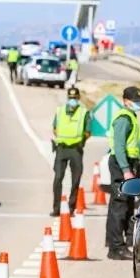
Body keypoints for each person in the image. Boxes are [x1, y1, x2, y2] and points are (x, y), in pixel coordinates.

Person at [106, 86, 140, 260]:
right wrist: (126, 170)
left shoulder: (131, 117)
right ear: (125, 101)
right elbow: (120, 147)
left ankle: (120, 243)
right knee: (119, 205)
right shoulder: (124, 119)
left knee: (125, 204)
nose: (138, 103)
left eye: (139, 101)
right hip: (122, 164)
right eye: (135, 101)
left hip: (128, 163)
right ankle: (116, 248)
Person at [51, 87, 91, 216]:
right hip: (61, 148)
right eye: (70, 98)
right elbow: (55, 128)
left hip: (76, 149)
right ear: (67, 98)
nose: (72, 100)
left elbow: (88, 131)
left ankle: (71, 207)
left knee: (76, 179)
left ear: (78, 99)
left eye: (75, 98)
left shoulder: (84, 113)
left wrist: (80, 141)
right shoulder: (60, 110)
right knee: (58, 178)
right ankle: (56, 208)